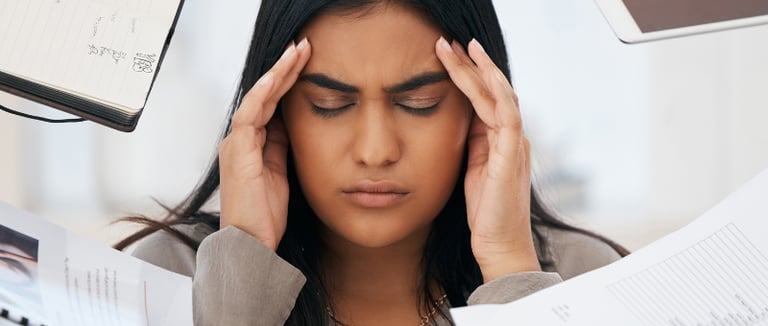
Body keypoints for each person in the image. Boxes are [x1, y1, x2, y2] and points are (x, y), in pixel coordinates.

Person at [115, 0, 629, 324]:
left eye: (419, 104)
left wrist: (512, 274)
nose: (376, 150)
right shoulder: (162, 275)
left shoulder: (587, 276)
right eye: (330, 106)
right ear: (273, 115)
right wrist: (241, 279)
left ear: (481, 112)